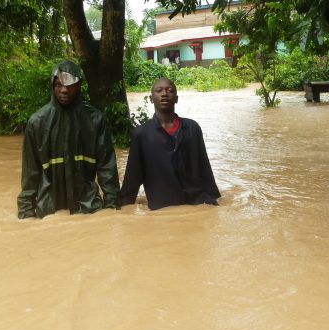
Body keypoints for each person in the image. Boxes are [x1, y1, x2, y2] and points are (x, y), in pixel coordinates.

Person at [17, 60, 120, 218]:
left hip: (88, 207)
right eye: (59, 85)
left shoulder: (95, 120)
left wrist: (112, 207)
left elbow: (107, 168)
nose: (64, 90)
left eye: (70, 85)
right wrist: (26, 214)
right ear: (52, 86)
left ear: (79, 85)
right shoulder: (37, 123)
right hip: (49, 209)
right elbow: (30, 175)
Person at [120, 77, 220, 210]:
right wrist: (123, 209)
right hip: (162, 209)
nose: (164, 94)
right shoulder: (141, 134)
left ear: (177, 98)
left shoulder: (192, 128)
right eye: (159, 90)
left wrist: (215, 201)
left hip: (197, 204)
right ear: (151, 99)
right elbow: (132, 178)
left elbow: (204, 168)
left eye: (170, 90)